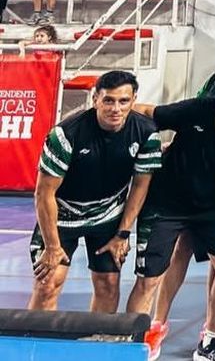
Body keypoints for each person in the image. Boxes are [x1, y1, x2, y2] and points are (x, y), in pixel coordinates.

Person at [127, 69, 215, 361]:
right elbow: (148, 112)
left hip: (210, 208)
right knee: (150, 277)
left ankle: (210, 342)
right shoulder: (197, 110)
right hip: (167, 202)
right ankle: (138, 338)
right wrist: (113, 111)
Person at [30, 71, 162, 314]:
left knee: (108, 285)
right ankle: (37, 346)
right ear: (95, 99)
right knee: (48, 283)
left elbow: (140, 186)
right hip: (62, 214)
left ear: (134, 100)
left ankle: (98, 344)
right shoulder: (65, 134)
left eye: (123, 101)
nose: (116, 108)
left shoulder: (146, 133)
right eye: (108, 100)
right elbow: (43, 194)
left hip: (108, 216)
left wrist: (122, 233)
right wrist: (51, 246)